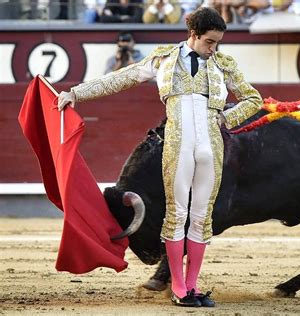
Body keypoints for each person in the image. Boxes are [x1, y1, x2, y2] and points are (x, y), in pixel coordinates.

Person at [57, 7, 262, 307]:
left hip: (210, 149)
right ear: (193, 35)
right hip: (178, 149)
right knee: (177, 215)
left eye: (217, 42)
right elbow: (122, 78)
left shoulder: (224, 64)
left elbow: (253, 98)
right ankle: (179, 289)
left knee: (202, 218)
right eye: (209, 42)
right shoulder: (164, 59)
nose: (213, 48)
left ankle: (192, 287)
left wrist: (226, 118)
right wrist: (76, 93)